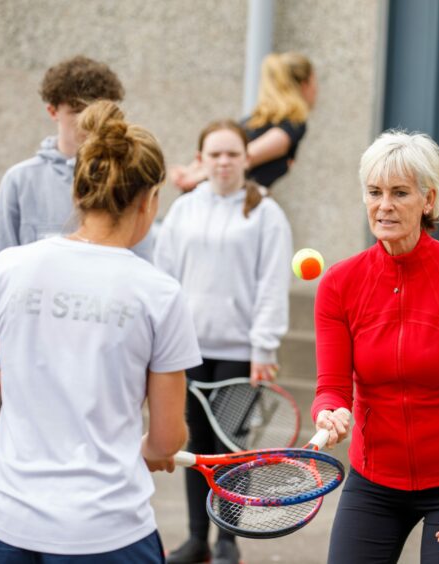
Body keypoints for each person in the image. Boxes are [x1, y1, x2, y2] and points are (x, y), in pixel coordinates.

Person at [0, 100, 201, 562]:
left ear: (79, 193)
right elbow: (166, 439)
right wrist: (151, 448)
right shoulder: (160, 295)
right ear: (148, 200)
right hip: (109, 532)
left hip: (7, 527)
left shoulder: (8, 268)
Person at [312, 130, 439, 563]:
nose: (384, 205)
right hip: (374, 479)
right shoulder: (338, 284)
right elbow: (330, 386)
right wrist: (329, 411)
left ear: (429, 200)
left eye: (399, 193)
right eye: (375, 192)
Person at [154, 119, 293, 564]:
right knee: (194, 451)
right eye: (214, 154)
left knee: (231, 451)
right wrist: (158, 346)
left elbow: (272, 285)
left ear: (246, 158)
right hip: (186, 353)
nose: (224, 161)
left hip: (239, 355)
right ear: (202, 160)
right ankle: (198, 540)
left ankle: (228, 539)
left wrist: (263, 348)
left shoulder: (265, 213)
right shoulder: (184, 210)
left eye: (232, 153)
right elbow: (164, 281)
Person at [0, 55, 154, 389]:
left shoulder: (127, 180)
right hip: (29, 348)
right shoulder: (20, 180)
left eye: (96, 109)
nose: (87, 121)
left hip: (99, 351)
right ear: (53, 111)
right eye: (76, 110)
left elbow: (143, 267)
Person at [170, 52, 317, 192]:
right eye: (315, 84)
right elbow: (248, 155)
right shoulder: (292, 125)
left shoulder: (254, 120)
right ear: (305, 84)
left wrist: (191, 171)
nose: (316, 91)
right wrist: (194, 175)